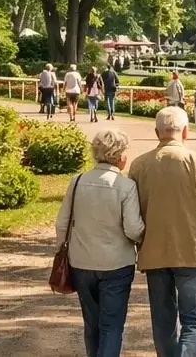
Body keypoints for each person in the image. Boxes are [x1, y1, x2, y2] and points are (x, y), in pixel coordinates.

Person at [129, 107, 196, 357]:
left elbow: (131, 214)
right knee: (193, 322)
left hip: (153, 252)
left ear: (157, 132)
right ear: (185, 131)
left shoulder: (139, 165)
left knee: (163, 323)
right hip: (193, 252)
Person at [55, 130, 145, 357]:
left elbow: (62, 223)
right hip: (116, 264)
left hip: (81, 262)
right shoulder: (126, 186)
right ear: (120, 155)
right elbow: (133, 229)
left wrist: (65, 250)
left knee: (91, 324)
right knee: (112, 326)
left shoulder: (77, 182)